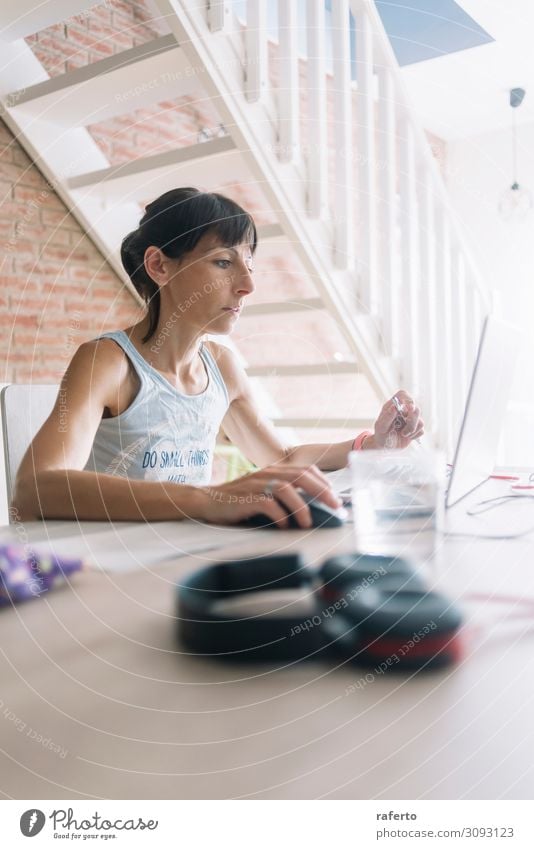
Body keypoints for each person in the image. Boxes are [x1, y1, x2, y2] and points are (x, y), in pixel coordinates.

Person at [13, 188, 423, 528]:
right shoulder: (107, 362)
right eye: (224, 262)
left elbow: (282, 458)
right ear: (158, 265)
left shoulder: (222, 366)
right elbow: (36, 489)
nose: (247, 285)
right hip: (121, 559)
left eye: (249, 266)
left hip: (190, 549)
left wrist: (372, 444)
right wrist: (206, 497)